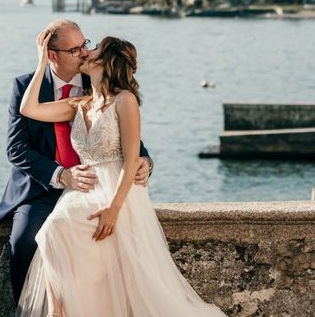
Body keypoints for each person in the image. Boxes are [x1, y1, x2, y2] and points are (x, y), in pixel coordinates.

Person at [16, 30, 224, 316]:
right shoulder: (81, 104)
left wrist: (114, 209)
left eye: (94, 48)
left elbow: (131, 158)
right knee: (52, 232)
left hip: (116, 190)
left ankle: (59, 312)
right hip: (83, 189)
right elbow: (29, 109)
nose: (86, 52)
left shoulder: (125, 101)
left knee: (57, 230)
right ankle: (58, 311)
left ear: (108, 61)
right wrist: (42, 62)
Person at [0, 20, 153, 302]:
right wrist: (62, 175)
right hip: (41, 190)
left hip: (94, 188)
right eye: (74, 49)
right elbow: (16, 148)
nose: (83, 53)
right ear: (52, 55)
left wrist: (146, 161)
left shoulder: (98, 89)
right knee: (25, 241)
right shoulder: (25, 86)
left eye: (86, 45)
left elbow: (125, 140)